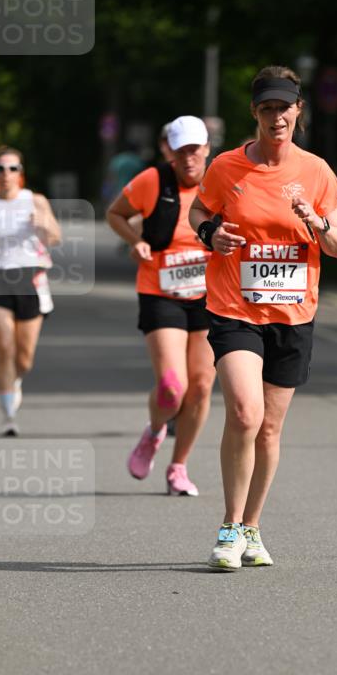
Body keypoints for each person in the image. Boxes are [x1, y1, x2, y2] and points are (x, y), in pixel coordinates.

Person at [189, 65, 337, 570]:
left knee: (270, 431)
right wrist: (210, 232)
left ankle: (253, 528)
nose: (276, 117)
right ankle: (229, 526)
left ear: (298, 111)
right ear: (254, 113)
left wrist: (315, 220)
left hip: (293, 314)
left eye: (284, 107)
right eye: (266, 108)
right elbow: (198, 211)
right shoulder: (226, 167)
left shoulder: (317, 171)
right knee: (243, 412)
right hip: (235, 308)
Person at [106, 116, 216, 496]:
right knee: (173, 387)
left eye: (195, 149)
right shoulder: (153, 180)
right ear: (170, 150)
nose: (188, 158)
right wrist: (135, 240)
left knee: (201, 387)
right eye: (180, 150)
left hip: (209, 294)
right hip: (160, 290)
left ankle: (178, 466)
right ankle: (154, 432)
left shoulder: (222, 183)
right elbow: (115, 213)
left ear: (206, 149)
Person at [0, 146, 60, 436]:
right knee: (4, 347)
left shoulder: (35, 201)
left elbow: (55, 239)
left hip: (30, 278)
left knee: (24, 357)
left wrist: (44, 223)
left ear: (21, 173)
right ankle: (8, 416)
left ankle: (16, 380)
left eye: (12, 168)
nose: (6, 174)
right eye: (0, 168)